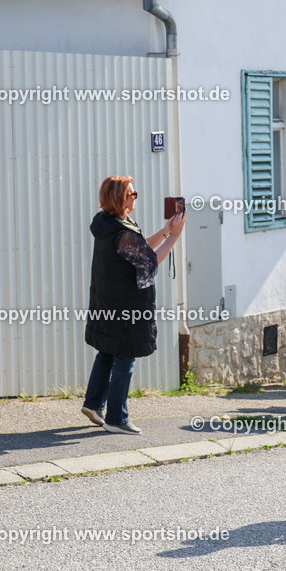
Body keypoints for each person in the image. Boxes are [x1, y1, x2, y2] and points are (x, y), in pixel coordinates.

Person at [82, 175, 186, 434]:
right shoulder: (121, 232)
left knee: (107, 351)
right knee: (125, 356)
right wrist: (174, 237)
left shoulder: (107, 222)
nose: (136, 196)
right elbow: (150, 260)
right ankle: (116, 419)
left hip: (108, 301)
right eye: (132, 193)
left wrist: (165, 230)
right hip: (125, 306)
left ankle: (94, 405)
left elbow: (140, 250)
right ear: (121, 199)